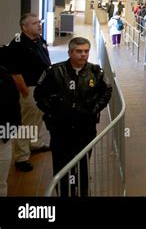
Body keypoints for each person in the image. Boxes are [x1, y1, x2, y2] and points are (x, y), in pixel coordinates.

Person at [34, 37, 112, 196]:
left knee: (83, 163)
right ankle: (63, 191)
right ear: (70, 52)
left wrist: (96, 108)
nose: (83, 55)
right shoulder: (55, 71)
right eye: (79, 51)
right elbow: (39, 94)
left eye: (86, 51)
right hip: (60, 128)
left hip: (86, 127)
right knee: (62, 163)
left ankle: (82, 191)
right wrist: (52, 112)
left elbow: (107, 91)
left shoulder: (96, 72)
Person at [8, 13, 51, 172]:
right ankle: (22, 156)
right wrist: (25, 93)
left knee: (37, 117)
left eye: (39, 22)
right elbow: (14, 73)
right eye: (34, 23)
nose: (39, 25)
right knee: (26, 123)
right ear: (24, 27)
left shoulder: (39, 40)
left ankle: (35, 143)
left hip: (42, 88)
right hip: (29, 89)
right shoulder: (17, 44)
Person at [0, 46, 21, 196]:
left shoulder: (3, 73)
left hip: (3, 132)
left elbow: (13, 101)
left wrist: (12, 127)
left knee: (1, 177)